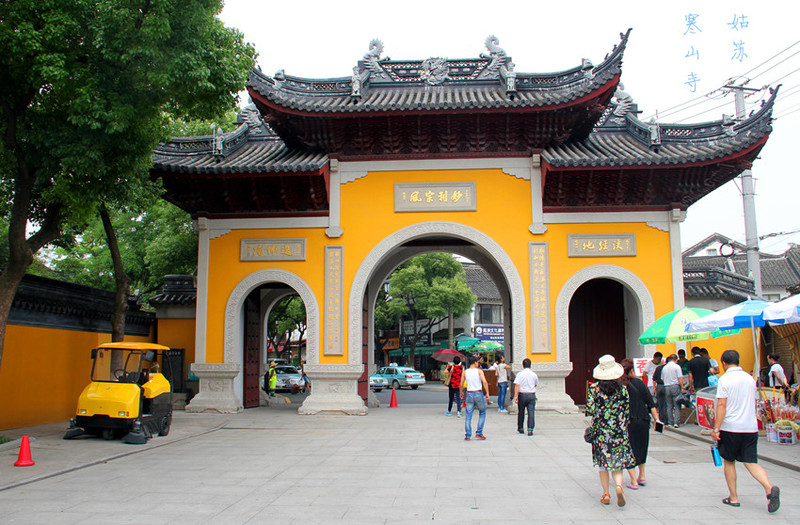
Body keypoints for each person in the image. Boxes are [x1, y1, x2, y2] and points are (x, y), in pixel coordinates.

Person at [712, 350, 780, 513]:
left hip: (731, 427)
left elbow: (722, 405)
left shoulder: (725, 380)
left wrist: (716, 428)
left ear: (724, 363)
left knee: (729, 461)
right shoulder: (750, 379)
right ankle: (769, 488)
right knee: (751, 461)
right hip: (750, 428)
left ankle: (733, 498)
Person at [585, 355, 636, 507]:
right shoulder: (623, 389)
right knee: (617, 462)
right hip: (619, 431)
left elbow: (590, 410)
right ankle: (619, 486)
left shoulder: (594, 389)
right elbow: (627, 409)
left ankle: (606, 494)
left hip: (602, 431)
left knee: (603, 463)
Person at [621, 358, 661, 489]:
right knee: (642, 447)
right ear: (632, 371)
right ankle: (642, 476)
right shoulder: (640, 383)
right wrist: (657, 420)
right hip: (643, 419)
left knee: (629, 449)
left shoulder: (621, 385)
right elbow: (651, 403)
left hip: (628, 421)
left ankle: (633, 481)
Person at [461, 356, 490, 440]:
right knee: (482, 412)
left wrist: (461, 393)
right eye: (477, 362)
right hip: (478, 393)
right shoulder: (479, 371)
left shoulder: (465, 372)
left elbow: (461, 383)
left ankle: (468, 435)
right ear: (475, 363)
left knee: (468, 415)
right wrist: (487, 393)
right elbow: (484, 381)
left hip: (469, 393)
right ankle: (479, 432)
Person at [513, 358, 539, 435]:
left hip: (522, 394)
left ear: (523, 365)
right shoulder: (534, 374)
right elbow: (535, 384)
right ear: (530, 365)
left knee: (521, 411)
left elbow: (517, 385)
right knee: (531, 412)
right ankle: (530, 428)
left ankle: (520, 427)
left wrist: (515, 396)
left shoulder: (519, 374)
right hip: (531, 394)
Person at [661, 354, 686, 428]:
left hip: (666, 386)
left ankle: (670, 422)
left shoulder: (664, 368)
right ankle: (676, 422)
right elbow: (680, 378)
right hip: (675, 386)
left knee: (669, 405)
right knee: (677, 404)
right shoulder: (677, 367)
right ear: (676, 360)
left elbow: (662, 379)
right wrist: (682, 387)